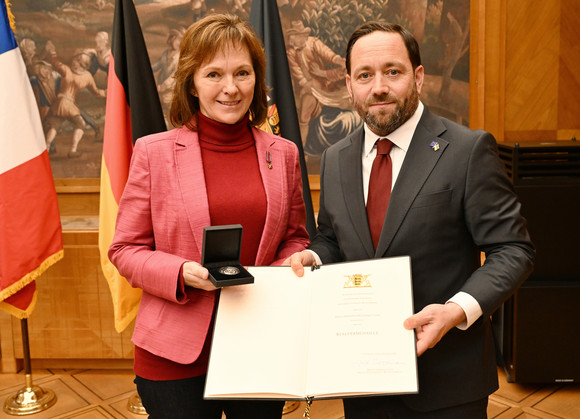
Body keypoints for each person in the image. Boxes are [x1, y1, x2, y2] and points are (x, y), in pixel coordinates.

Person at [285, 21, 535, 418]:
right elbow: (332, 238)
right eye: (365, 75)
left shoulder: (466, 150)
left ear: (418, 77)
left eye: (393, 71)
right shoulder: (336, 158)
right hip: (363, 378)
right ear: (349, 85)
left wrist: (456, 310)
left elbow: (512, 250)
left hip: (447, 382)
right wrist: (314, 258)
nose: (378, 86)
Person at [108, 14, 310, 419]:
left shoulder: (283, 153)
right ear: (192, 82)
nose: (231, 88)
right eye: (214, 74)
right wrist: (181, 270)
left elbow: (295, 236)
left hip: (257, 342)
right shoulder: (154, 152)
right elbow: (124, 250)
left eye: (242, 73)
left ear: (257, 80)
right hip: (173, 352)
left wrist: (295, 258)